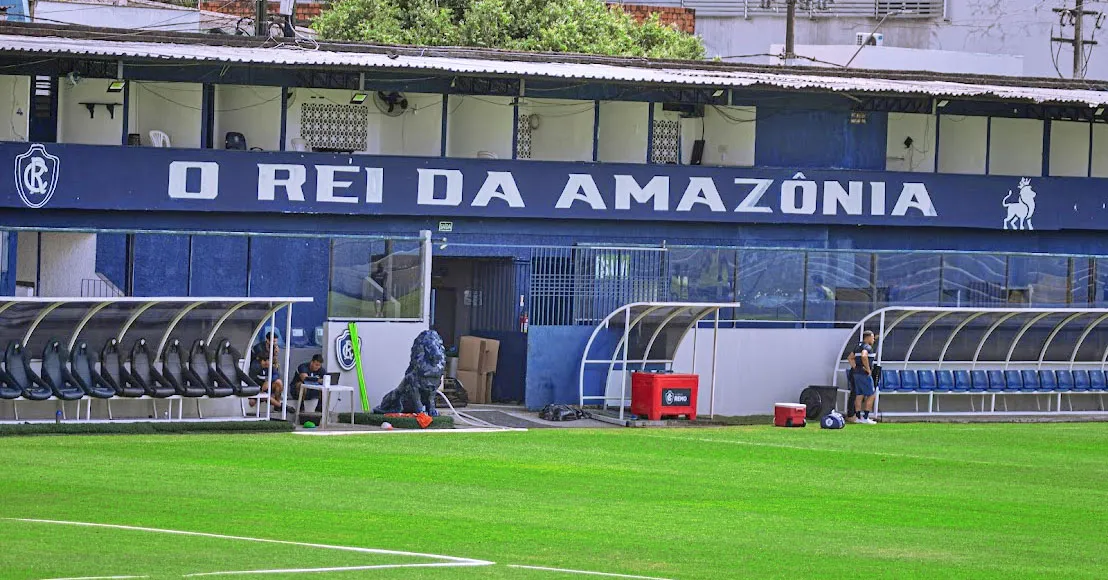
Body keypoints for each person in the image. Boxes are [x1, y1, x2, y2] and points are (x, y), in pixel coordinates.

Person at [847, 330, 877, 424]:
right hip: (864, 374)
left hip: (856, 373)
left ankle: (858, 417)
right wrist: (868, 369)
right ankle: (866, 417)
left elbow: (850, 358)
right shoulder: (867, 347)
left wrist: (855, 367)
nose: (873, 340)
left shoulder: (857, 347)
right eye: (872, 338)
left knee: (859, 395)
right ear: (867, 338)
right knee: (871, 395)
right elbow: (864, 356)